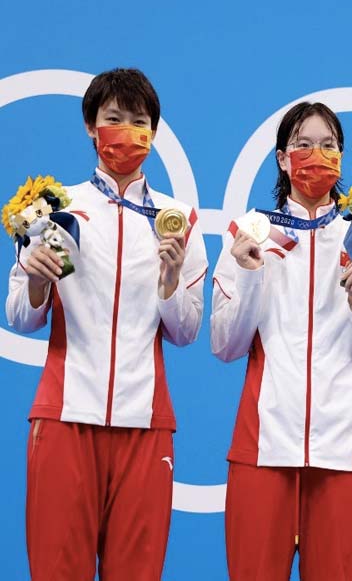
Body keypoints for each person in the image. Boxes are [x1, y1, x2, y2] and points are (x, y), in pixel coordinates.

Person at [6, 67, 208, 580]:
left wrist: (170, 278)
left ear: (154, 134)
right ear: (90, 128)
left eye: (138, 121)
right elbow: (21, 317)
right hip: (65, 416)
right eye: (112, 118)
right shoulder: (56, 208)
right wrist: (35, 281)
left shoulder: (177, 219)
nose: (125, 131)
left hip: (145, 423)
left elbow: (185, 331)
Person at [210, 101, 352, 581]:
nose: (316, 154)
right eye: (302, 144)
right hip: (262, 448)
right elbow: (225, 346)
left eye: (328, 145)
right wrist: (252, 276)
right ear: (281, 157)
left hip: (340, 452)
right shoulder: (249, 233)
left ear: (342, 157)